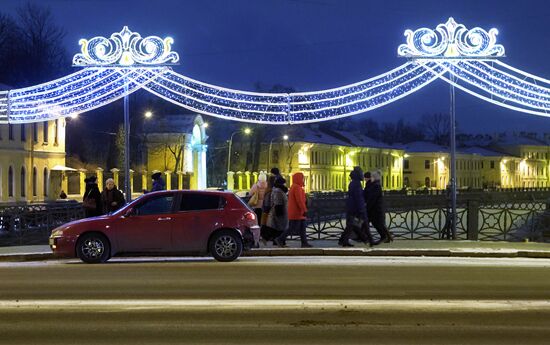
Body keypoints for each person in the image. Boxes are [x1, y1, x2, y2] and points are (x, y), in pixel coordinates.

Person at [276, 172, 312, 248]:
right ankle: (280, 239)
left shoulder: (294, 186)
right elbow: (299, 200)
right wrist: (304, 210)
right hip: (297, 212)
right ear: (299, 179)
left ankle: (304, 243)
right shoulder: (297, 188)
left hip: (297, 211)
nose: (303, 180)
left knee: (302, 227)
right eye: (302, 178)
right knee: (292, 228)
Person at [338, 166, 372, 247]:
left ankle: (344, 240)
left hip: (352, 207)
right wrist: (361, 209)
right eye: (361, 173)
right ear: (358, 174)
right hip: (355, 208)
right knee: (355, 225)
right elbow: (358, 198)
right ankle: (366, 239)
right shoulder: (357, 184)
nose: (362, 175)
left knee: (351, 225)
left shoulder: (353, 183)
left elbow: (358, 196)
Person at [365, 170, 393, 244]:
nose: (371, 178)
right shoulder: (375, 185)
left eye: (371, 177)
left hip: (375, 208)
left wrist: (367, 206)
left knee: (377, 223)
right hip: (376, 208)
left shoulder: (376, 186)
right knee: (379, 223)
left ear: (374, 177)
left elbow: (373, 198)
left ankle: (383, 237)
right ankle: (388, 237)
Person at [260, 175, 282, 245]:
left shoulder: (268, 189)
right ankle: (273, 240)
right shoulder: (273, 190)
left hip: (266, 209)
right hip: (270, 209)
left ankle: (267, 238)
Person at [268, 176, 289, 247]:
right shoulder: (278, 191)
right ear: (281, 184)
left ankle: (279, 241)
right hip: (279, 211)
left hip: (280, 210)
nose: (285, 185)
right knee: (280, 227)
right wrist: (279, 213)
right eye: (284, 183)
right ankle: (279, 241)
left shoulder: (279, 190)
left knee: (280, 227)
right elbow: (278, 202)